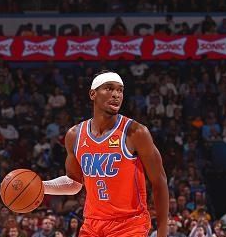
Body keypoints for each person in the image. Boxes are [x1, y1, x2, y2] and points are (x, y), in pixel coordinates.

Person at [42, 71, 169, 236]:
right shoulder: (75, 135)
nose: (116, 95)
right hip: (92, 224)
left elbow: (159, 181)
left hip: (129, 223)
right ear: (93, 94)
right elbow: (74, 183)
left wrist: (162, 232)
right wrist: (41, 186)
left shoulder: (136, 132)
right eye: (109, 89)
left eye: (120, 90)